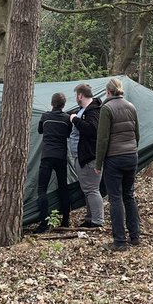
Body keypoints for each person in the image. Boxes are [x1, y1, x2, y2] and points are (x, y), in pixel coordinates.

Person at [94, 78, 141, 251]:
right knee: (129, 195)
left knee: (115, 198)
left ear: (108, 92)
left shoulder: (106, 108)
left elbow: (103, 138)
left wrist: (98, 163)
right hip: (131, 156)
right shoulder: (131, 106)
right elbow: (137, 134)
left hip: (114, 158)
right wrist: (133, 150)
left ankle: (120, 241)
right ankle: (135, 236)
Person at [34, 92, 72, 233]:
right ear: (63, 105)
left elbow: (39, 130)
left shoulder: (45, 117)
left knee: (42, 189)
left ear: (52, 103)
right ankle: (66, 221)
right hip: (61, 156)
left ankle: (44, 224)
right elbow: (69, 134)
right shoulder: (67, 118)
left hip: (47, 156)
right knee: (63, 187)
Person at [68, 82, 104, 229]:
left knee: (92, 189)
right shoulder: (84, 110)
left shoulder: (93, 111)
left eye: (76, 96)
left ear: (80, 95)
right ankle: (90, 218)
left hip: (90, 156)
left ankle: (97, 221)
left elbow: (92, 130)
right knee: (87, 189)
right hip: (83, 156)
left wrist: (75, 120)